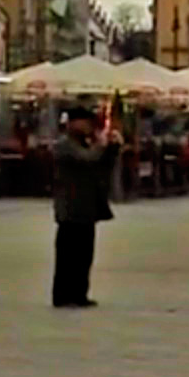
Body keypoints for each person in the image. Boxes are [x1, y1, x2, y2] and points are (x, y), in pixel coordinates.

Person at [51, 107, 121, 308]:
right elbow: (86, 159)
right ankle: (63, 295)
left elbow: (101, 167)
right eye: (86, 122)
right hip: (70, 208)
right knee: (67, 256)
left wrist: (112, 149)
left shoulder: (85, 144)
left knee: (84, 256)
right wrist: (101, 145)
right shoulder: (64, 145)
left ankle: (79, 293)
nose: (90, 127)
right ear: (73, 123)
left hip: (87, 207)